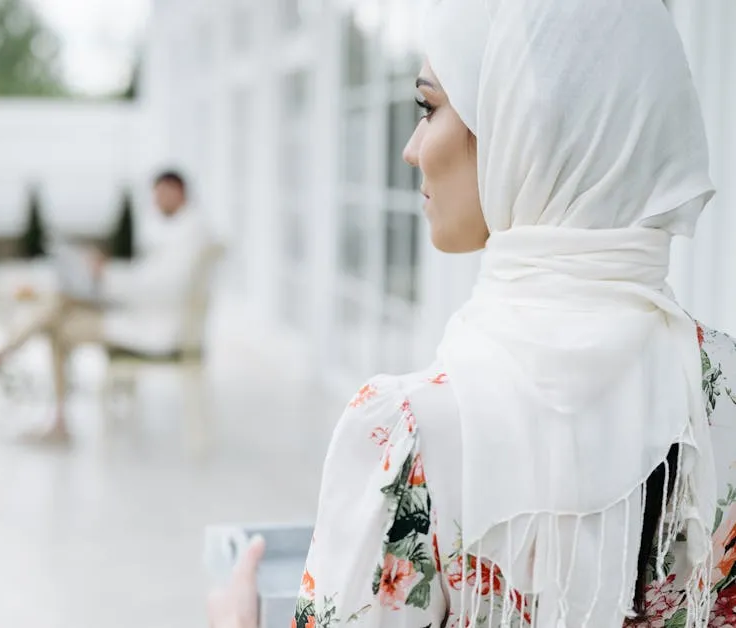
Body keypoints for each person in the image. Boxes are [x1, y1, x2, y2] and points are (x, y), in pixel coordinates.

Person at [208, 0, 736, 626]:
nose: (412, 150)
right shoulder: (721, 387)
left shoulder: (411, 432)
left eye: (428, 108)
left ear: (523, 127)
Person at [0, 170, 214, 443]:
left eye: (159, 194)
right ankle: (3, 366)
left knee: (56, 323)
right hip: (139, 313)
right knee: (58, 300)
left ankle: (3, 369)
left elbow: (161, 288)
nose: (155, 202)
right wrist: (107, 273)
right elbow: (150, 278)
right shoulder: (180, 229)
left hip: (153, 327)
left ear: (176, 191)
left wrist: (107, 275)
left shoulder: (190, 234)